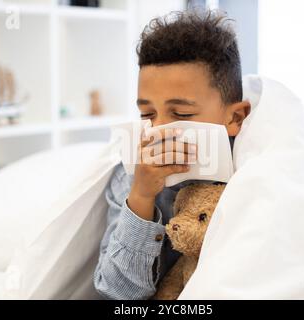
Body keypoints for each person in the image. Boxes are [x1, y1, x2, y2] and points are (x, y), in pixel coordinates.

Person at [93, 9, 251, 300]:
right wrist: (140, 198)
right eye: (147, 114)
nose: (159, 130)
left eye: (181, 113)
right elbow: (117, 295)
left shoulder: (255, 170)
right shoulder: (127, 180)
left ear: (236, 118)